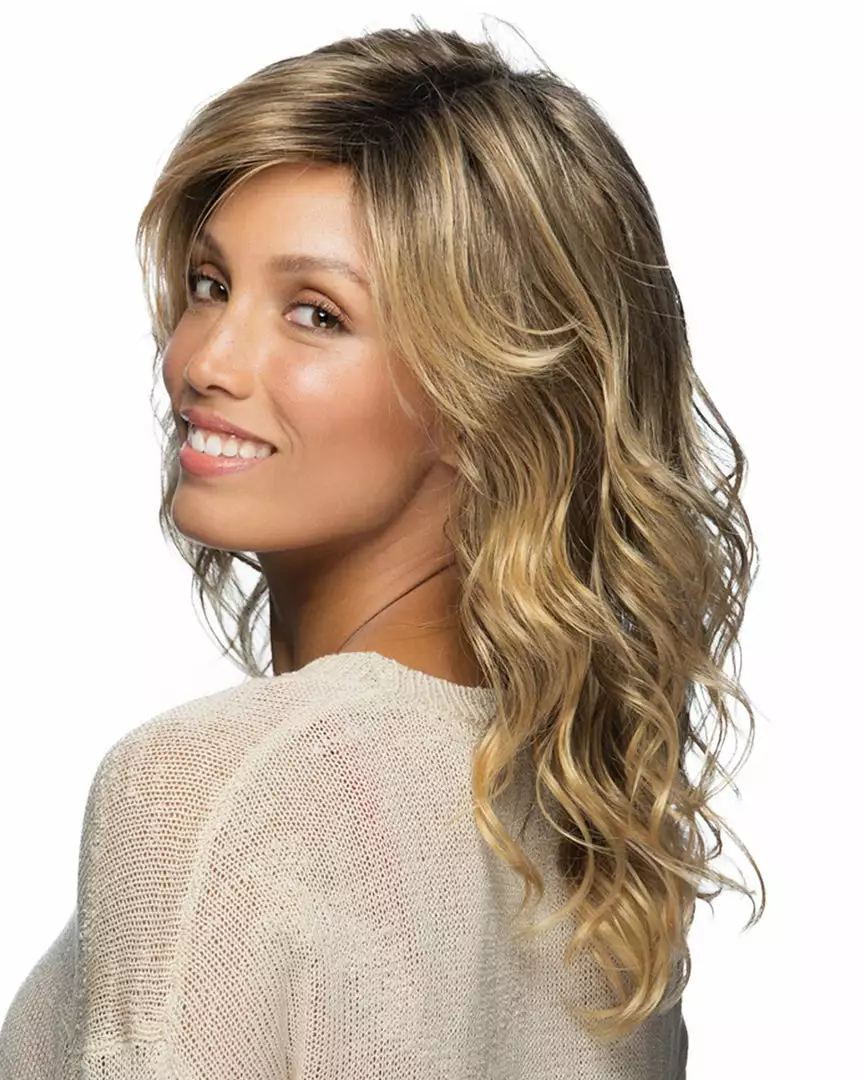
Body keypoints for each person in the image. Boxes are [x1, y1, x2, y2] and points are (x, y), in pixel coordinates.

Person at [0, 16, 766, 1079]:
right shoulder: (604, 852)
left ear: (483, 390)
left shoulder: (219, 788)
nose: (205, 359)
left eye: (315, 314)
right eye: (212, 285)